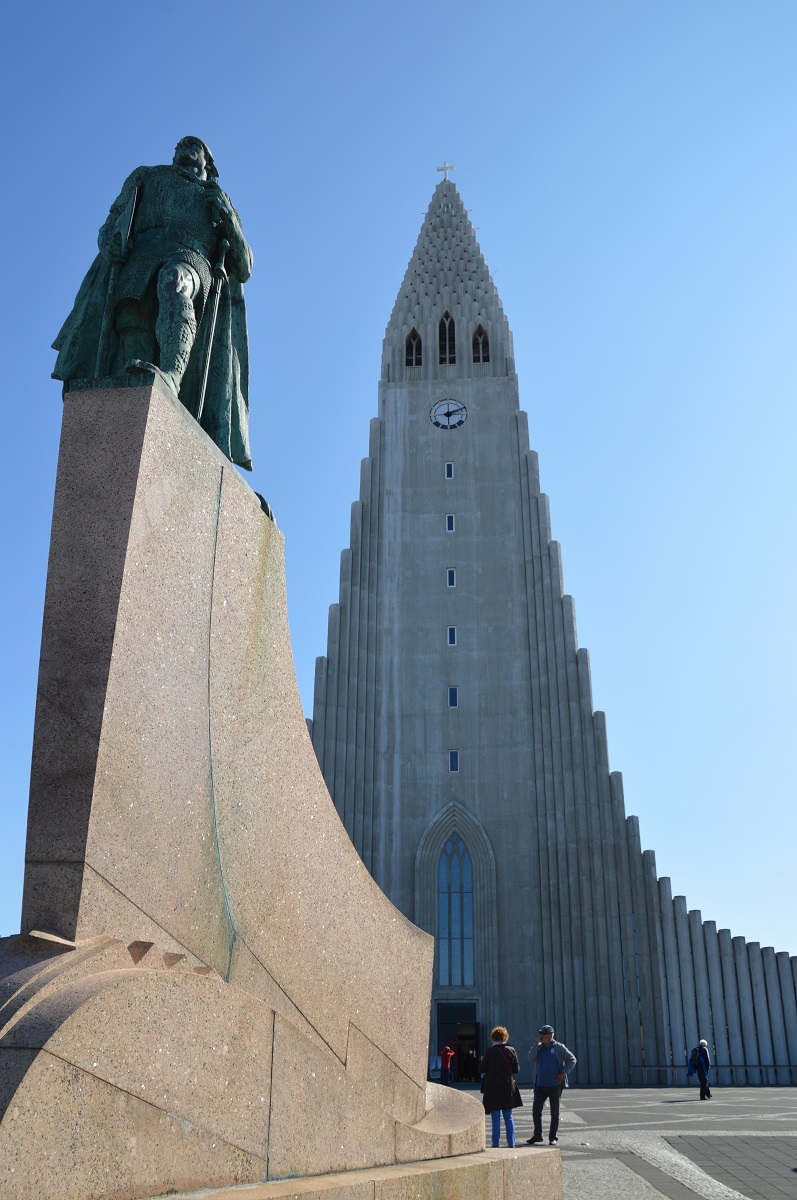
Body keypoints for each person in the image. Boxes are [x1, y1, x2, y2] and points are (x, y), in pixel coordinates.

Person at [52, 136, 253, 470]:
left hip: (190, 258)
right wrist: (110, 244)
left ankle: (172, 375)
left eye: (195, 146)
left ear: (208, 161)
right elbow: (111, 223)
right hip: (140, 260)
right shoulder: (146, 176)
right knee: (132, 329)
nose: (185, 148)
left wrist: (230, 221)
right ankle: (126, 415)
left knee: (175, 285)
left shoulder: (217, 199)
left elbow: (244, 265)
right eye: (180, 145)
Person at [526, 1024, 576, 1146]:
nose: (540, 1036)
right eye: (540, 1034)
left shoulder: (558, 1047)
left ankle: (553, 1137)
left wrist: (563, 1072)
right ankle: (537, 1135)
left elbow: (572, 1059)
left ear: (550, 1036)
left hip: (555, 1085)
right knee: (536, 1111)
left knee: (555, 1112)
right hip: (540, 1085)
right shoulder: (539, 1047)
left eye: (543, 1034)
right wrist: (535, 1045)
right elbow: (531, 1058)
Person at [478, 1026, 523, 1148]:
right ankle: (511, 1144)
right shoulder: (511, 1050)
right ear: (505, 1037)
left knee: (495, 1118)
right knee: (508, 1117)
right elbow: (516, 1069)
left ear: (493, 1037)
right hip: (507, 1087)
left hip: (492, 1088)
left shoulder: (490, 1052)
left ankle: (495, 1145)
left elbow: (480, 1069)